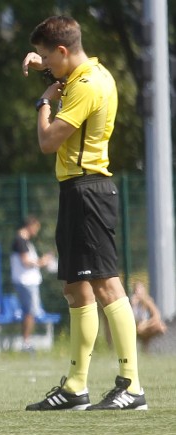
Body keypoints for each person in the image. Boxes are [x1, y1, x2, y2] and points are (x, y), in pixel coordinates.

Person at [22, 16, 146, 411]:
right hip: (76, 191)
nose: (45, 64)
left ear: (63, 51)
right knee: (76, 288)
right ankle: (76, 387)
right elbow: (60, 69)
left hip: (90, 190)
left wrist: (44, 103)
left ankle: (131, 385)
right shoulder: (84, 72)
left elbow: (47, 141)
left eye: (47, 56)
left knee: (108, 285)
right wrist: (41, 65)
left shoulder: (87, 85)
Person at [9, 215, 54, 352]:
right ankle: (26, 342)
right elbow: (26, 262)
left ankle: (27, 341)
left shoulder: (25, 241)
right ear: (30, 225)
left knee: (30, 312)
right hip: (25, 282)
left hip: (29, 282)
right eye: (36, 228)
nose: (36, 231)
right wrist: (42, 262)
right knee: (30, 312)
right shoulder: (20, 240)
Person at [128, 281, 167, 352]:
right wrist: (132, 304)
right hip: (133, 327)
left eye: (140, 290)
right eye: (136, 290)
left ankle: (150, 348)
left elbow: (157, 315)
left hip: (144, 327)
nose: (138, 293)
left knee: (160, 326)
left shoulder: (148, 302)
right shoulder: (130, 302)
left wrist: (145, 324)